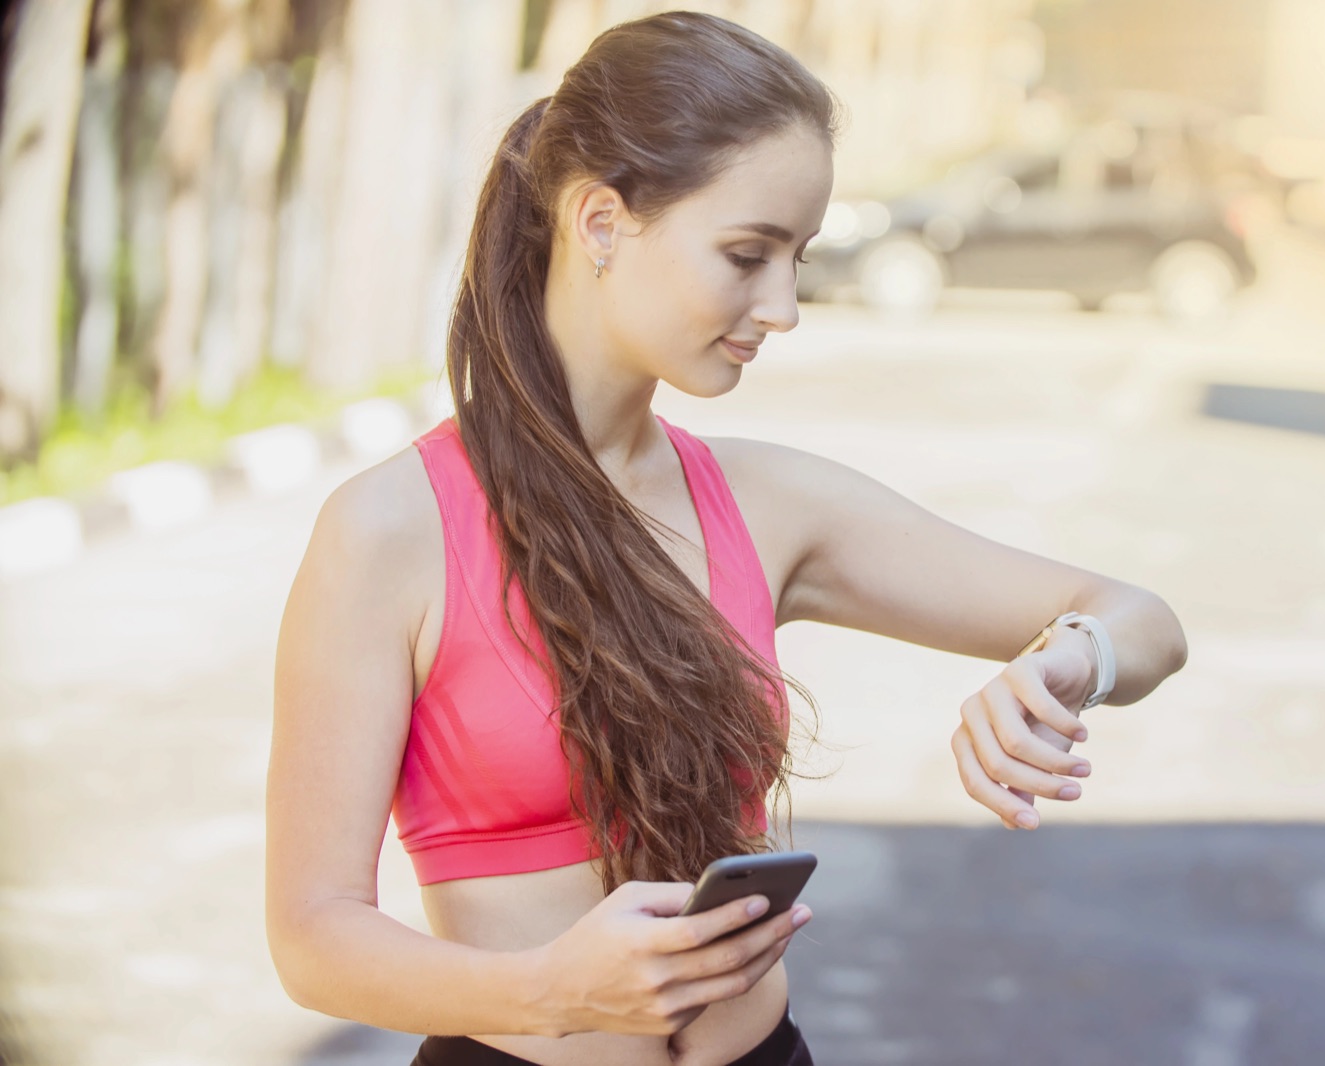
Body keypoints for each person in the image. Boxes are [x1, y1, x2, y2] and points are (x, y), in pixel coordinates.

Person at [264, 10, 1187, 1066]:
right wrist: (545, 989)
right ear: (601, 222)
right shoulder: (391, 529)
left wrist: (1073, 659)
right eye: (747, 254)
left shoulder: (763, 502)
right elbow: (312, 935)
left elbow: (1143, 619)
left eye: (796, 258)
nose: (783, 306)